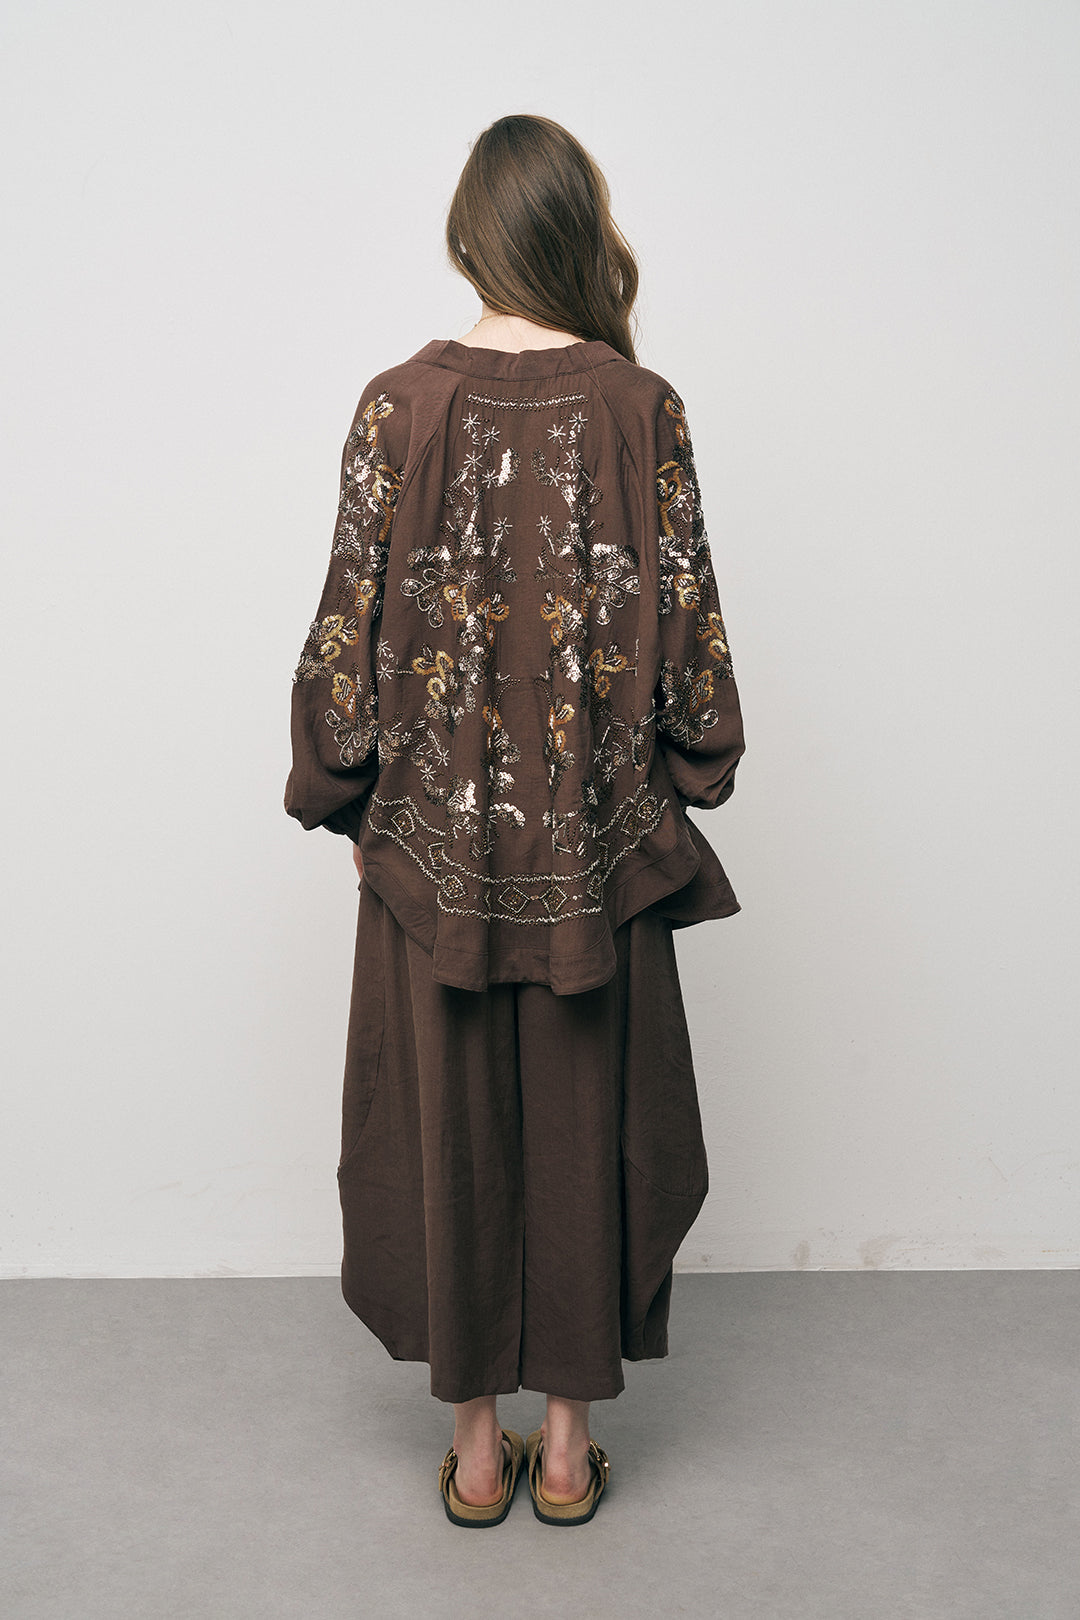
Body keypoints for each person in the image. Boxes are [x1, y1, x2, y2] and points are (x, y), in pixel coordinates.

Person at [284, 113, 746, 1527]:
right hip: (593, 852)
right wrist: (690, 766)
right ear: (577, 234)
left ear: (470, 236)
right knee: (585, 1123)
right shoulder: (642, 407)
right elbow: (694, 651)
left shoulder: (395, 406)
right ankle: (565, 1451)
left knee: (447, 1131)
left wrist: (341, 781)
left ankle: (476, 1454)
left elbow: (345, 637)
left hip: (433, 853)